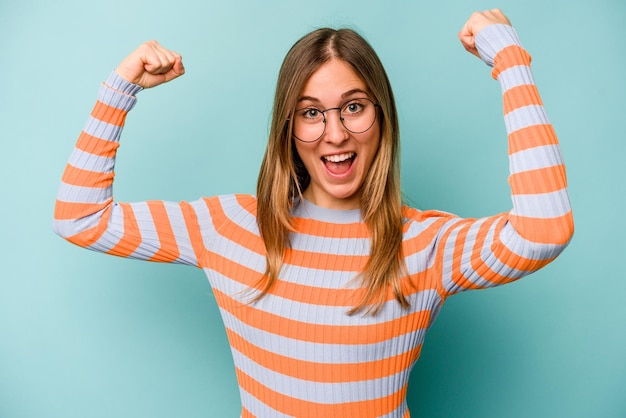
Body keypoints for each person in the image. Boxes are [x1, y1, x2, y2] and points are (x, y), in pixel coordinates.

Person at [53, 8, 573, 417]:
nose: (335, 133)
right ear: (288, 126)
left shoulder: (425, 244)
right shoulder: (228, 228)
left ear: (381, 115)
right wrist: (120, 88)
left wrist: (510, 61)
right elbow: (78, 217)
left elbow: (546, 228)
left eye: (353, 106)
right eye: (310, 112)